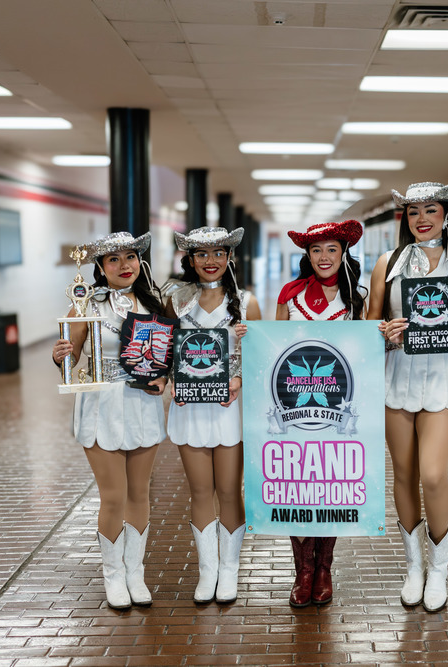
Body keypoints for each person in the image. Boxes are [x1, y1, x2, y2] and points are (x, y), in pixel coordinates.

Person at [367, 182, 448, 612]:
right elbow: (370, 324)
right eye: (413, 212)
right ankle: (414, 567)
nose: (422, 219)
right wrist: (385, 333)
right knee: (404, 474)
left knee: (433, 475)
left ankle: (440, 570)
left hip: (442, 381)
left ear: (446, 214)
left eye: (431, 210)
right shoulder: (387, 263)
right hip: (397, 378)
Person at [51, 231, 167, 610]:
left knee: (139, 494)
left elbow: (166, 355)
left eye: (130, 257)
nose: (124, 265)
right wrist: (61, 354)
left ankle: (135, 573)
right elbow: (70, 356)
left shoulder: (153, 302)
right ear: (101, 267)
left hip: (143, 404)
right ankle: (113, 575)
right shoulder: (86, 304)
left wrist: (163, 377)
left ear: (139, 261)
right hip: (102, 405)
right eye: (113, 260)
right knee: (114, 496)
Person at [163, 226, 261, 604]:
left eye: (219, 253)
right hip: (190, 408)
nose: (211, 261)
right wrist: (172, 380)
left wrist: (240, 378)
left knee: (229, 491)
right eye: (201, 254)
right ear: (189, 260)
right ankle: (208, 571)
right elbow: (164, 350)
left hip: (229, 409)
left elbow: (261, 358)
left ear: (230, 256)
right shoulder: (175, 300)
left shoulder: (247, 302)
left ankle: (230, 569)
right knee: (201, 491)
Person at [275, 219, 366, 606]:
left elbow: (362, 352)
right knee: (298, 487)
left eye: (331, 249)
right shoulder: (289, 294)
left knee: (330, 485)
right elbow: (276, 349)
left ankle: (324, 567)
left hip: (337, 408)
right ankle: (303, 571)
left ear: (344, 253)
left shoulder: (357, 298)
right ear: (307, 255)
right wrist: (251, 336)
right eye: (316, 250)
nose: (324, 256)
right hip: (295, 408)